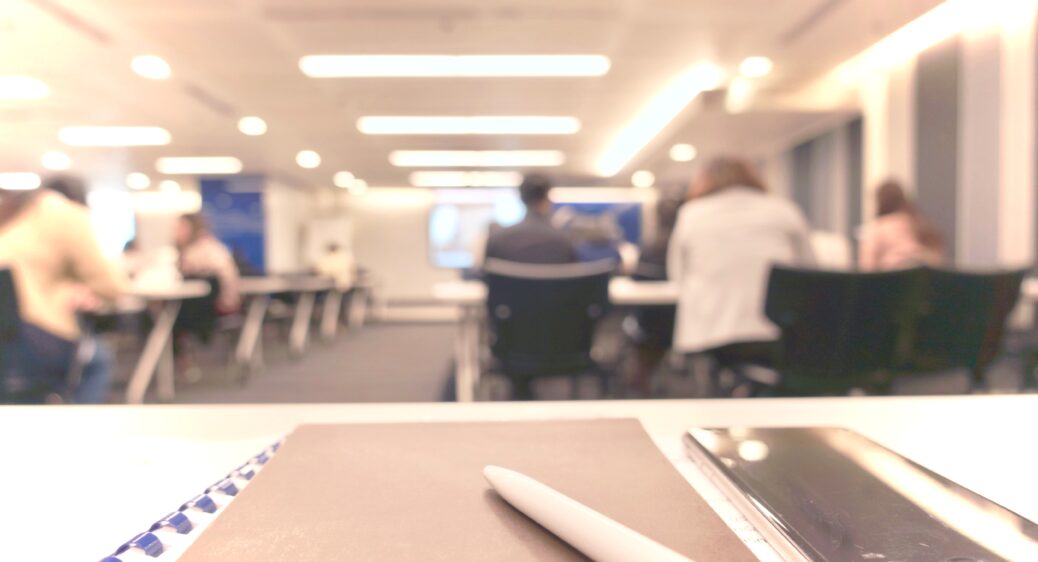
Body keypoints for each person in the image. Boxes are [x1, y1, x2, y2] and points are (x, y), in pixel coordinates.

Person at [667, 157, 815, 360]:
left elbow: (677, 275)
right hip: (777, 331)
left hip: (711, 331)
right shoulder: (784, 209)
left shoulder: (691, 213)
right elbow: (810, 269)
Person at [0, 175, 126, 403]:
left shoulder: (15, 218)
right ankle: (77, 431)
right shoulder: (67, 214)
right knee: (98, 360)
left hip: (8, 336)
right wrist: (73, 288)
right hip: (31, 334)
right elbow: (113, 286)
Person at [484, 174, 576, 264]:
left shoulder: (496, 241)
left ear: (521, 198)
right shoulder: (564, 242)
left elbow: (487, 276)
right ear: (547, 198)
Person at [859, 180, 943, 271]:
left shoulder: (878, 226)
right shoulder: (917, 222)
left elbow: (867, 265)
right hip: (922, 278)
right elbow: (937, 256)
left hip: (894, 279)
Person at [174, 213, 240, 314]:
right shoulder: (206, 245)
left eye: (181, 228)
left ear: (192, 228)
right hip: (211, 303)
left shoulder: (201, 249)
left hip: (216, 305)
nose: (176, 232)